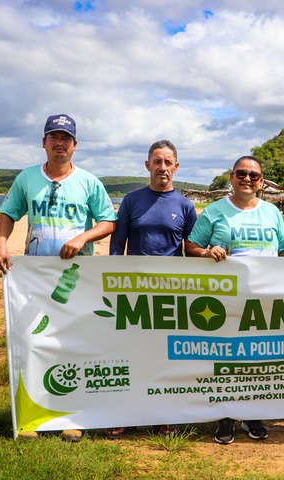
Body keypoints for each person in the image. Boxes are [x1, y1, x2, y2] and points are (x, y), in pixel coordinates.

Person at [0, 114, 117, 442]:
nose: (59, 143)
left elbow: (107, 221)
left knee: (70, 343)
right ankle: (32, 416)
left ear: (74, 146)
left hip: (75, 275)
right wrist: (1, 242)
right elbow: (7, 215)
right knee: (32, 341)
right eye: (53, 137)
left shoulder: (89, 181)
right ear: (44, 143)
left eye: (66, 138)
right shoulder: (27, 178)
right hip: (32, 275)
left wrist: (83, 238)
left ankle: (72, 417)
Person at [185, 155, 284, 444]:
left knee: (258, 357)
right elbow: (190, 246)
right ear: (232, 177)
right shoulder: (215, 211)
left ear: (262, 181)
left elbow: (283, 250)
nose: (247, 179)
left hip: (264, 299)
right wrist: (206, 252)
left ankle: (252, 413)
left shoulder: (272, 213)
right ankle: (225, 416)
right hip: (226, 297)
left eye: (254, 175)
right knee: (227, 356)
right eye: (242, 173)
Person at [107, 139, 197, 437]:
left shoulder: (185, 205)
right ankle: (126, 413)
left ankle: (163, 414)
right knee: (130, 354)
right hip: (133, 292)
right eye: (157, 161)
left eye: (168, 162)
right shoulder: (132, 200)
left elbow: (191, 248)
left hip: (170, 294)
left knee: (165, 356)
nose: (162, 167)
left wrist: (209, 255)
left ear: (176, 167)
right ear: (147, 165)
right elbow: (117, 245)